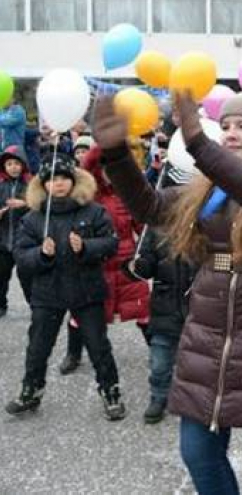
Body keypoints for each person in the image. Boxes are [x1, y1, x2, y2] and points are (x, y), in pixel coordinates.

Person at [93, 89, 242, 495]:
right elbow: (150, 208)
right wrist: (116, 155)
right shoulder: (209, 186)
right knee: (197, 450)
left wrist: (199, 143)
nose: (230, 133)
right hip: (207, 333)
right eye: (226, 125)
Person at [6, 154, 125, 420]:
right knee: (38, 346)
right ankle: (31, 391)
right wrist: (42, 254)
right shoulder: (34, 218)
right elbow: (21, 256)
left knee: (98, 345)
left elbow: (111, 244)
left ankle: (111, 391)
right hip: (47, 292)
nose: (58, 184)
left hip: (86, 290)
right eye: (51, 179)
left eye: (63, 178)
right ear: (43, 184)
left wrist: (86, 247)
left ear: (74, 181)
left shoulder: (93, 211)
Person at [57, 146, 151, 377]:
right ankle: (73, 353)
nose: (112, 172)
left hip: (125, 265)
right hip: (92, 265)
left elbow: (143, 228)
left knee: (144, 310)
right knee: (80, 313)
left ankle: (160, 353)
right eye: (106, 167)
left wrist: (147, 252)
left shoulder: (130, 195)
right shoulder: (86, 196)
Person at [126, 165, 197, 424]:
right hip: (164, 306)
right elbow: (146, 264)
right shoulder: (156, 230)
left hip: (195, 307)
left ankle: (189, 397)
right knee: (159, 361)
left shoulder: (203, 229)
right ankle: (158, 395)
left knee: (193, 360)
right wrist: (136, 266)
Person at [0, 145, 31, 314]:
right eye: (9, 164)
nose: (13, 167)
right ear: (4, 166)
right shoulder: (1, 185)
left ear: (23, 165)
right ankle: (0, 305)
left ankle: (36, 305)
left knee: (27, 275)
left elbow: (41, 206)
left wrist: (25, 204)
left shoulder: (30, 184)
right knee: (1, 275)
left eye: (17, 163)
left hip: (24, 241)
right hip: (2, 241)